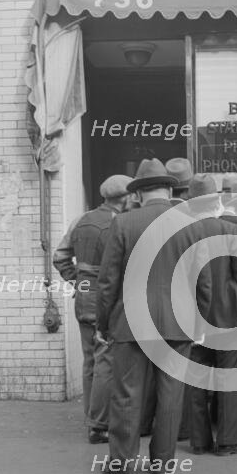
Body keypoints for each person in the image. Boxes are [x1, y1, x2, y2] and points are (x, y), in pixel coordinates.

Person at [96, 159, 212, 474]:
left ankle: (124, 464)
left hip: (132, 322)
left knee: (127, 394)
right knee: (171, 394)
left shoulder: (123, 223)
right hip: (178, 322)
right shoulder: (193, 224)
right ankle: (162, 462)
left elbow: (108, 281)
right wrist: (199, 323)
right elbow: (203, 279)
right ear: (170, 188)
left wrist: (103, 323)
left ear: (139, 193)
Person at [53, 174, 132, 444]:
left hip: (84, 294)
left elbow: (60, 256)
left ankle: (90, 416)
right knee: (106, 360)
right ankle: (99, 425)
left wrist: (77, 280)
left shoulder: (80, 220)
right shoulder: (119, 224)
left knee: (90, 360)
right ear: (126, 197)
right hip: (105, 295)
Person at [185, 174, 237, 456]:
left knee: (196, 383)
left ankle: (199, 441)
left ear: (191, 205)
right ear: (216, 200)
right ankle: (228, 441)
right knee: (231, 381)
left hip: (193, 321)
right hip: (231, 318)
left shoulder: (183, 233)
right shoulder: (231, 230)